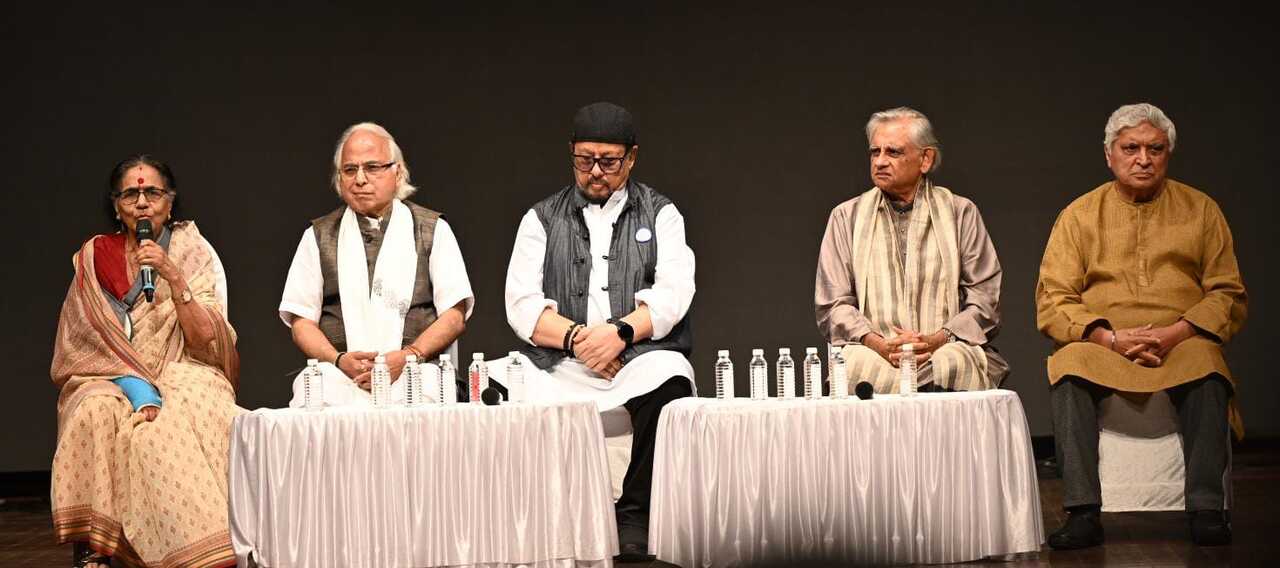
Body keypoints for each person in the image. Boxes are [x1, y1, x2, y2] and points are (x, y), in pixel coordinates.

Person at [1037, 103, 1247, 548]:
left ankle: (1207, 507)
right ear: (1109, 154)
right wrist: (1109, 338)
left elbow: (1226, 292)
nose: (1143, 159)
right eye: (1130, 148)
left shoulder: (1201, 209)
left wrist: (1176, 332)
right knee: (1069, 365)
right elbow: (1054, 297)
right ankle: (1082, 512)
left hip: (1181, 337)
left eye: (1155, 148)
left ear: (1168, 154)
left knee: (1209, 364)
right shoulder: (1080, 214)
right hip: (1103, 341)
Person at [503, 102, 695, 561]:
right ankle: (545, 518)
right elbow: (521, 303)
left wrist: (621, 334)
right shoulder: (541, 219)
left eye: (608, 161)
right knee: (493, 385)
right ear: (571, 153)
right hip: (563, 361)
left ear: (631, 157)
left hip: (637, 357)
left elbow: (674, 292)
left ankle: (635, 515)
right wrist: (579, 340)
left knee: (670, 381)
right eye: (584, 159)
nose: (595, 172)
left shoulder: (660, 213)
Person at [50, 156, 242, 568]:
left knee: (178, 417)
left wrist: (172, 276)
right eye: (130, 194)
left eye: (152, 193)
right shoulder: (94, 256)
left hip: (179, 365)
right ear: (116, 205)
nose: (142, 202)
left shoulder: (191, 251)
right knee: (93, 410)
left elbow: (206, 336)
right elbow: (80, 339)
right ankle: (94, 548)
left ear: (169, 203)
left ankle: (197, 550)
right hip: (107, 373)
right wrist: (133, 382)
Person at [815, 107, 1008, 393]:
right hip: (873, 350)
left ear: (925, 159)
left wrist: (937, 339)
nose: (880, 162)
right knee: (856, 367)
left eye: (892, 152)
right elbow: (833, 305)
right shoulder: (847, 217)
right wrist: (878, 343)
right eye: (874, 152)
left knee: (953, 364)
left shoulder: (960, 213)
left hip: (943, 348)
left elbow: (985, 299)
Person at [279, 122, 474, 405]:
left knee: (428, 390)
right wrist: (339, 359)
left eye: (372, 167)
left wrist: (408, 356)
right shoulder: (318, 236)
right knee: (313, 392)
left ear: (398, 172)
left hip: (414, 369)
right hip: (342, 375)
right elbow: (301, 321)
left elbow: (454, 315)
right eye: (350, 170)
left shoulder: (432, 229)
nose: (359, 179)